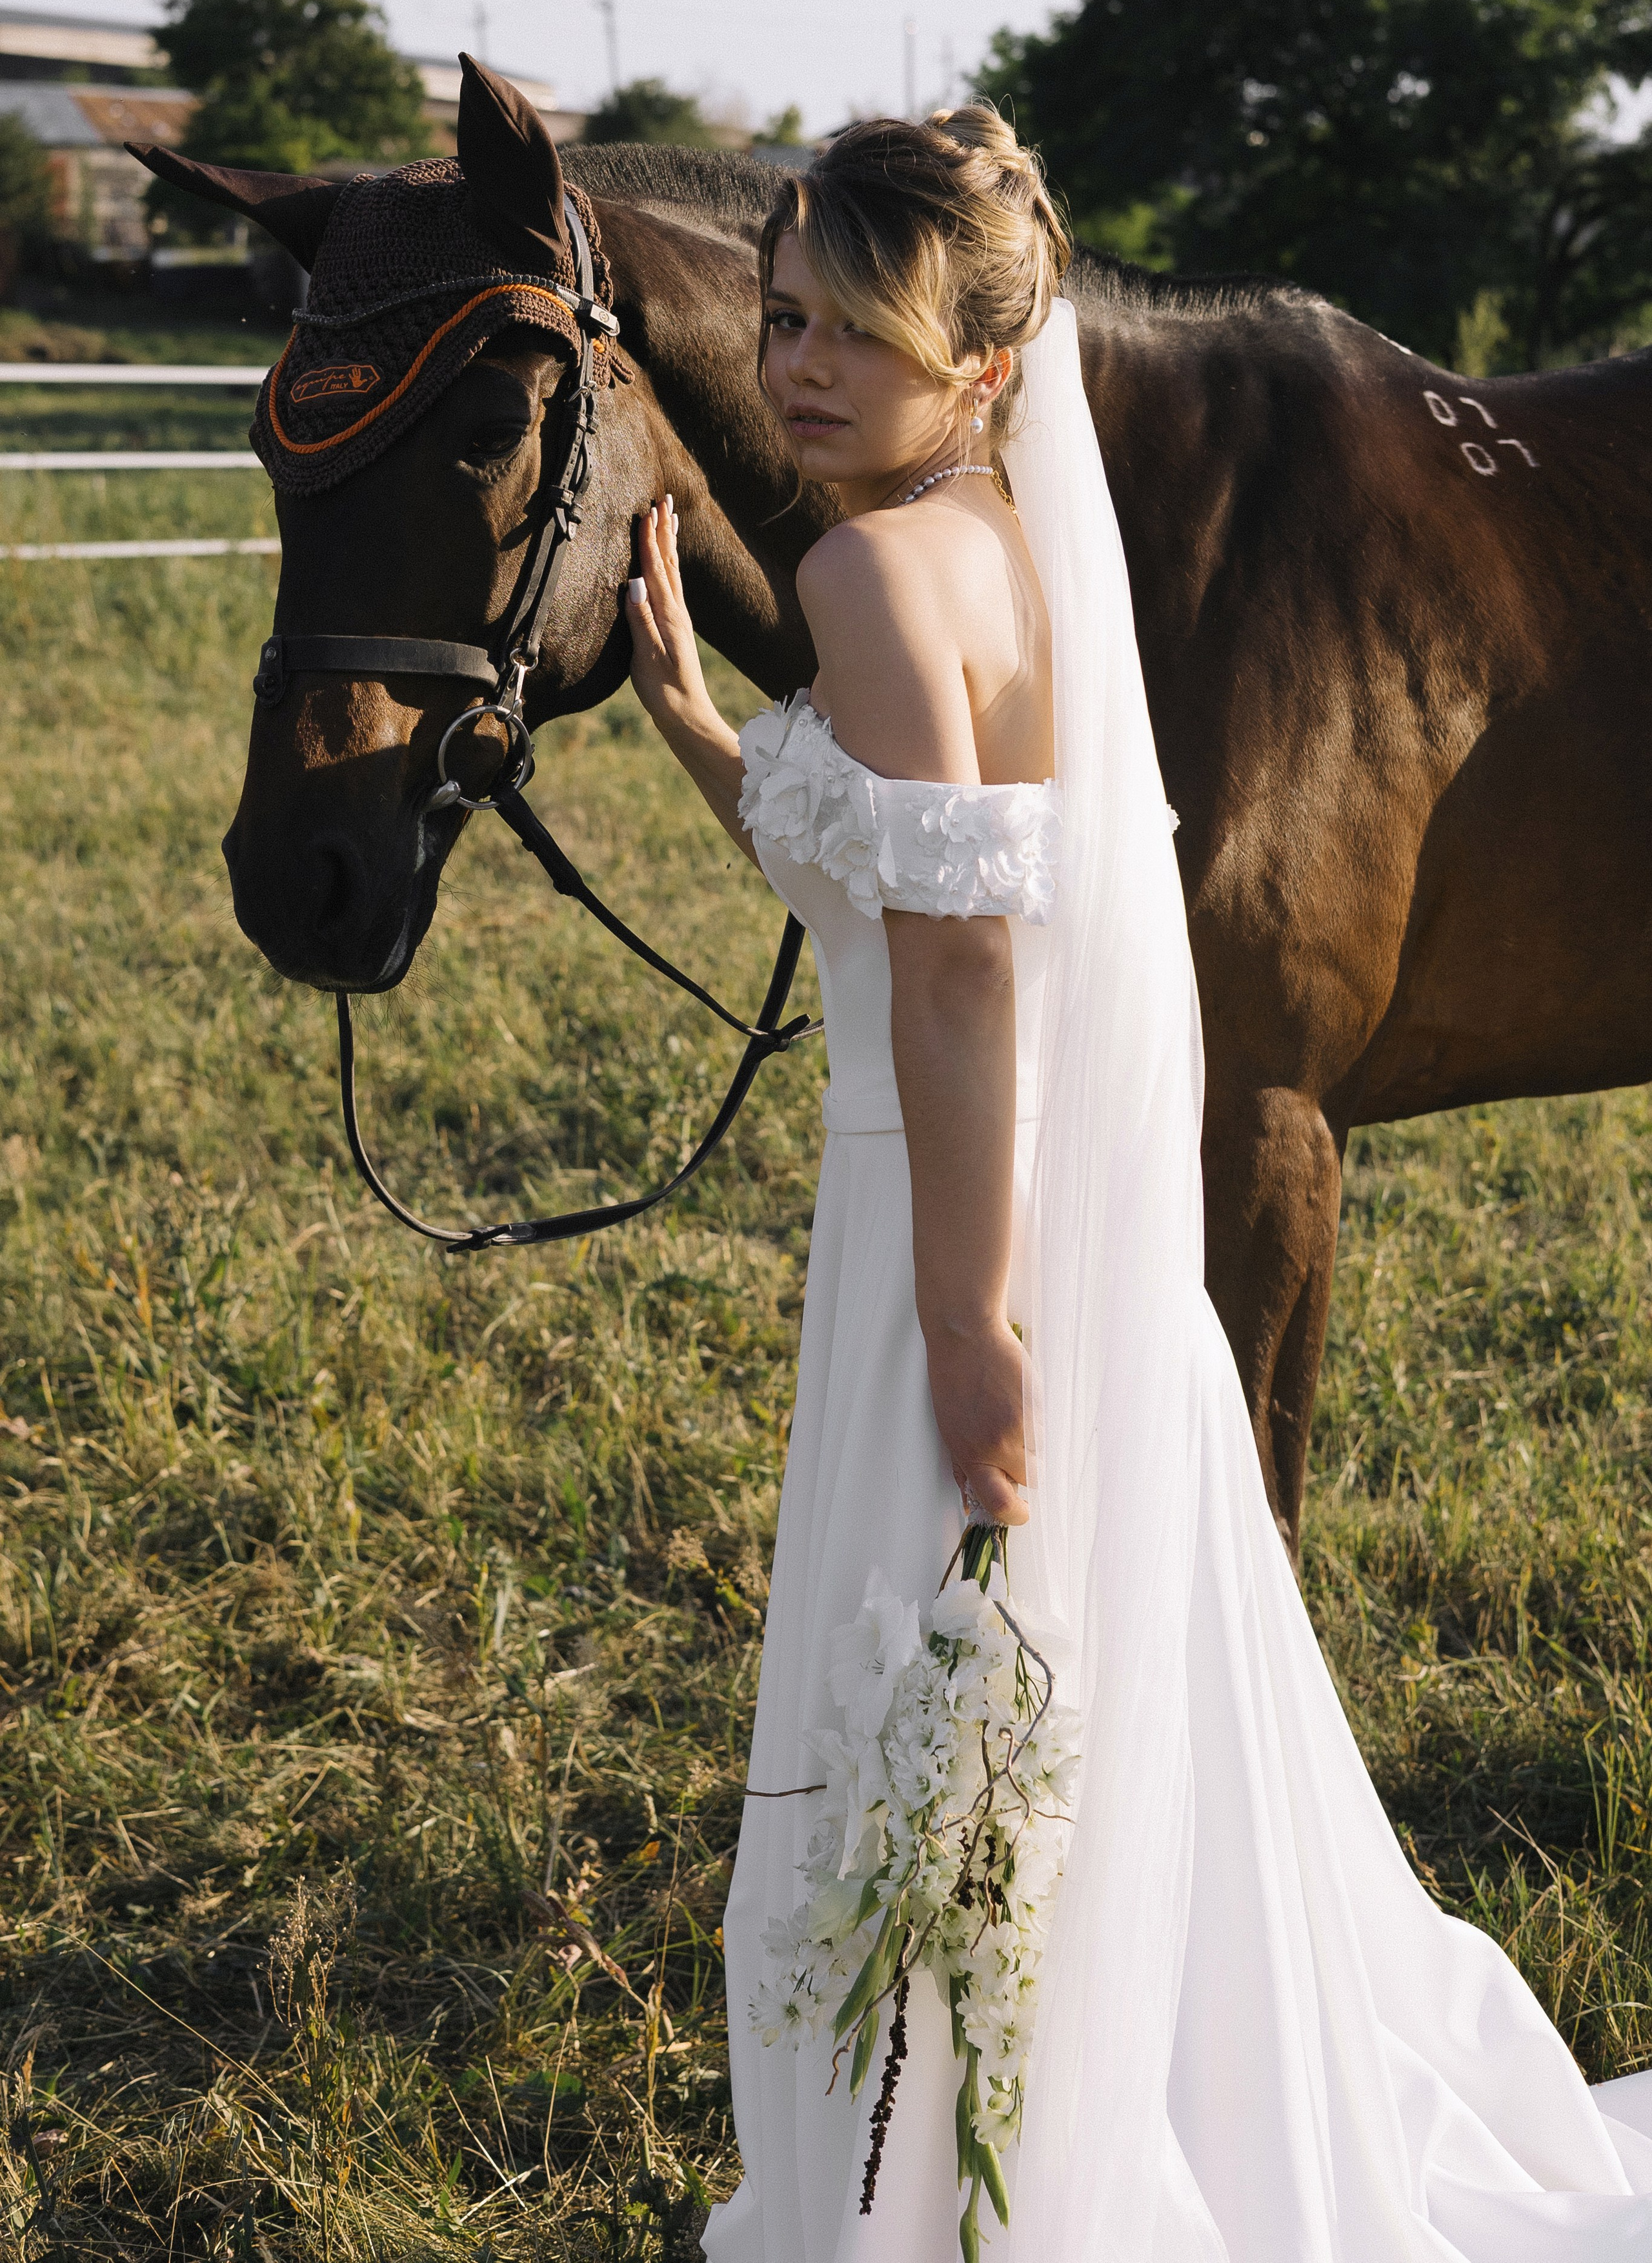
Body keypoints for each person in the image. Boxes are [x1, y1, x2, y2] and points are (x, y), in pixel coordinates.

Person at [620, 110, 1652, 2263]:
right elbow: (932, 860)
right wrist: (713, 736)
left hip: (957, 1231)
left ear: (985, 367)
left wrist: (973, 1324)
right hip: (1068, 1229)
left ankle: (976, 2182)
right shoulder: (1008, 541)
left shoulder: (869, 572)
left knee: (949, 1690)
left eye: (860, 340)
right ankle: (1133, 2096)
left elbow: (967, 969)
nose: (798, 370)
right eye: (789, 318)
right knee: (1095, 1686)